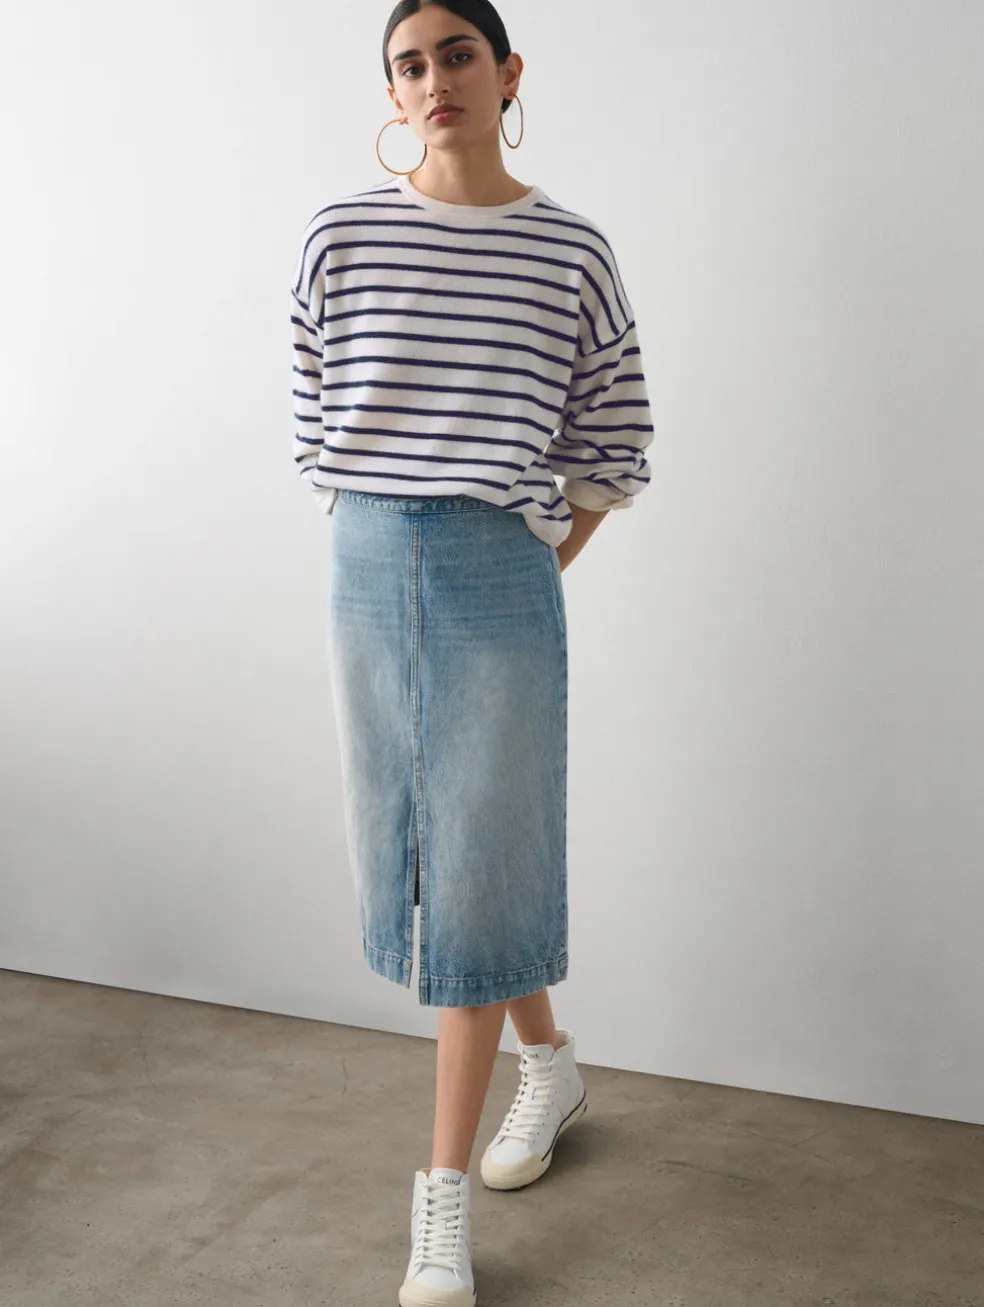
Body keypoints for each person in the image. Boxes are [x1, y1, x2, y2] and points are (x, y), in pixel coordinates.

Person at [289, 3, 655, 1302]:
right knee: (431, 852)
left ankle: (439, 1201)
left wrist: (527, 565)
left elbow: (615, 439)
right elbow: (315, 414)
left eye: (457, 54)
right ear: (390, 95)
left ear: (506, 74)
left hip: (497, 566)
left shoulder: (569, 250)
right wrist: (386, 540)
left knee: (482, 859)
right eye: (409, 64)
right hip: (363, 561)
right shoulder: (340, 235)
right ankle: (547, 1063)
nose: (433, 79)